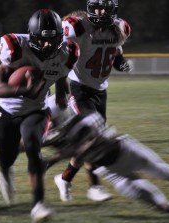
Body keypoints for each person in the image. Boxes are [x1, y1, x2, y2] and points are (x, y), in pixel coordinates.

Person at [43, 94, 169, 213]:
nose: (50, 125)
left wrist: (52, 160)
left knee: (164, 172)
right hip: (111, 171)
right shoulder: (57, 133)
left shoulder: (86, 118)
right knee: (154, 202)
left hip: (127, 152)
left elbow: (82, 150)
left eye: (53, 121)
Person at [0, 8, 79, 222]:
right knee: (7, 155)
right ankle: (4, 169)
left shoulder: (66, 53)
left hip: (37, 110)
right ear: (32, 37)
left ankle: (38, 204)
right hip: (8, 110)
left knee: (33, 147)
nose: (48, 45)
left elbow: (61, 73)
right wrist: (24, 90)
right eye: (42, 40)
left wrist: (60, 90)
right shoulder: (16, 49)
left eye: (53, 40)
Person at [54, 0, 133, 202]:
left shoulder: (119, 27)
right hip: (78, 88)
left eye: (106, 8)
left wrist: (121, 63)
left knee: (89, 141)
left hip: (99, 91)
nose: (101, 12)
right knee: (94, 137)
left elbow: (116, 53)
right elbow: (60, 55)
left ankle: (64, 179)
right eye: (98, 7)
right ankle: (94, 187)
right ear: (90, 7)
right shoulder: (78, 27)